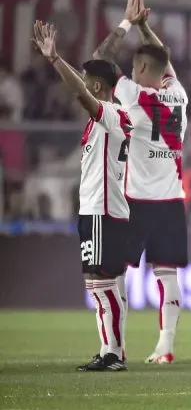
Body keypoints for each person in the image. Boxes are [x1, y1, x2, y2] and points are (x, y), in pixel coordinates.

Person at [94, 0, 190, 365]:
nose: (132, 73)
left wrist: (126, 24)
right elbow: (164, 62)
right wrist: (145, 27)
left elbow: (100, 60)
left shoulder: (133, 95)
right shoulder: (178, 95)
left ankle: (115, 346)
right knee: (166, 274)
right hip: (171, 200)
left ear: (142, 72)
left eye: (135, 68)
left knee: (113, 270)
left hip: (135, 199)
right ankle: (165, 346)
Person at [33, 21, 132, 371]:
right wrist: (124, 24)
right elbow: (92, 71)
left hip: (103, 210)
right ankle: (111, 350)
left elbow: (81, 90)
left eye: (87, 80)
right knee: (102, 283)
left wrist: (56, 60)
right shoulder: (105, 116)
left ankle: (113, 353)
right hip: (98, 209)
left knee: (100, 282)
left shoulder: (113, 114)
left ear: (96, 86)